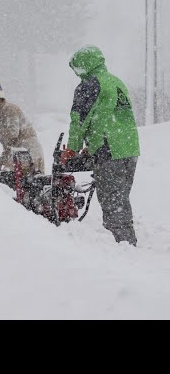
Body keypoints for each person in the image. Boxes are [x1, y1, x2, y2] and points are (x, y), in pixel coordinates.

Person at [60, 46, 140, 246]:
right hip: (129, 147)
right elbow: (109, 116)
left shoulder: (89, 84)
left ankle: (122, 246)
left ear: (86, 65)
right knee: (120, 199)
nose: (77, 73)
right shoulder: (115, 81)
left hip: (109, 148)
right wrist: (93, 143)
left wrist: (72, 148)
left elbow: (79, 120)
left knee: (112, 201)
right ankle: (126, 241)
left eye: (77, 68)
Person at [0, 79, 45, 178]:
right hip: (20, 154)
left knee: (12, 181)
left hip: (29, 153)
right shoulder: (2, 113)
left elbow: (13, 133)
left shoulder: (10, 109)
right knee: (11, 182)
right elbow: (9, 145)